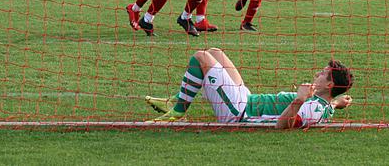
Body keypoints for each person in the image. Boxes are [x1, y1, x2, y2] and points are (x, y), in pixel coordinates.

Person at [144, 47, 354, 128]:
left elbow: (283, 126)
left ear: (330, 84)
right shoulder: (324, 104)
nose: (318, 72)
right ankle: (176, 100)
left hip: (240, 113)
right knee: (216, 53)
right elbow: (328, 107)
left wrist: (298, 100)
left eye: (323, 73)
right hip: (248, 100)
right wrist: (337, 102)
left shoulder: (313, 107)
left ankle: (178, 112)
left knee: (201, 58)